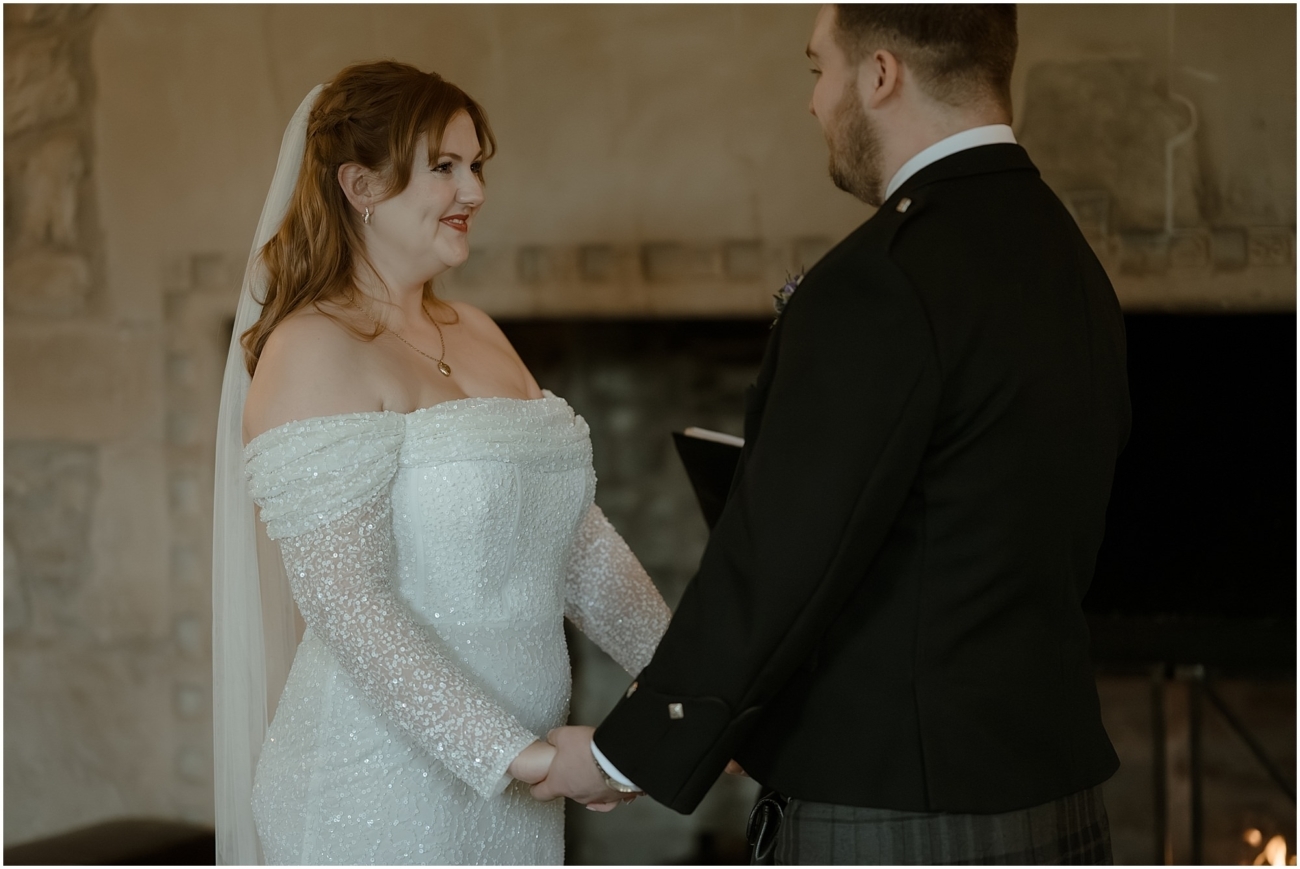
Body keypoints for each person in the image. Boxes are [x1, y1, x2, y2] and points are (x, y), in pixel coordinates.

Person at [533, 5, 1130, 865]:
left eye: (818, 69)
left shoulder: (881, 280)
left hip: (898, 816)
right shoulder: (1070, 262)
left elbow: (782, 554)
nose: (814, 103)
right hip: (1054, 796)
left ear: (880, 74)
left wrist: (628, 747)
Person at [210, 61, 670, 865]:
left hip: (519, 801)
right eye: (445, 167)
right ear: (361, 185)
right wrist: (524, 757)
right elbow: (347, 602)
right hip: (375, 795)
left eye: (477, 165)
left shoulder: (481, 331)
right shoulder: (312, 349)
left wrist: (690, 694)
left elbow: (580, 548)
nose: (475, 191)